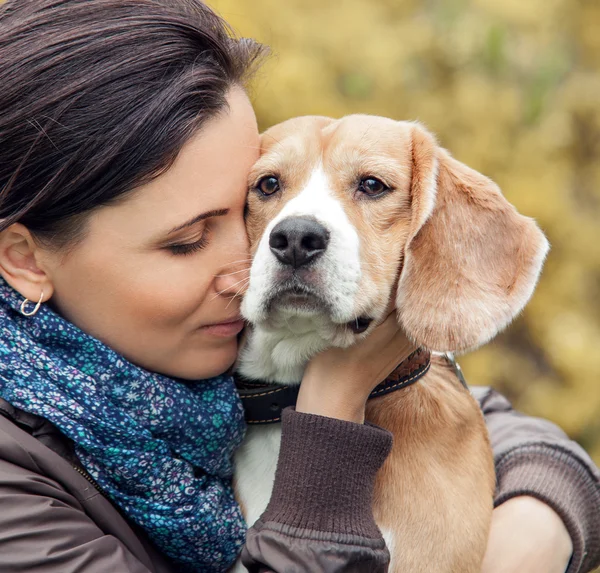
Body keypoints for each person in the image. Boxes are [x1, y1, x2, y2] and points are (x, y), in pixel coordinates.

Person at [0, 1, 597, 572]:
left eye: (238, 211)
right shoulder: (18, 494)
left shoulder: (205, 360)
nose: (254, 256)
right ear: (27, 261)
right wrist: (333, 405)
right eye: (184, 242)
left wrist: (539, 524)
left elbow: (500, 424)